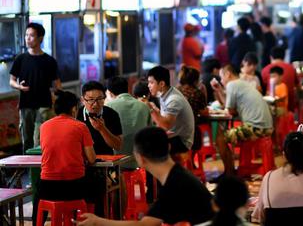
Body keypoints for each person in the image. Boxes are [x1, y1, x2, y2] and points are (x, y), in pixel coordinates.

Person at [78, 127, 214, 226]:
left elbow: (145, 225)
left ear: (140, 159)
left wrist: (98, 221)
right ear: (168, 147)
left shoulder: (174, 185)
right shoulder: (177, 176)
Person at [37, 90, 95, 222]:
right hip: (74, 187)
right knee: (95, 186)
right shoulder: (81, 127)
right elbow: (91, 158)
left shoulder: (44, 127)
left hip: (48, 187)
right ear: (74, 108)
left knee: (38, 188)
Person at [210, 65, 273, 175]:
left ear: (228, 74)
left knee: (220, 139)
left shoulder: (232, 85)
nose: (221, 81)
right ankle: (234, 170)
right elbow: (229, 107)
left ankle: (229, 173)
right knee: (222, 135)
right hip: (266, 126)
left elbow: (229, 110)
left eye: (221, 77)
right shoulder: (240, 83)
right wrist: (220, 90)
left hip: (256, 127)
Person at [10, 22, 62, 152]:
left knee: (40, 138)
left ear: (40, 38)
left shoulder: (49, 61)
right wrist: (19, 87)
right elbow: (12, 81)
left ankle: (41, 168)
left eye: (31, 35)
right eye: (26, 35)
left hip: (44, 105)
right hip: (26, 104)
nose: (27, 38)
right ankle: (28, 169)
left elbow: (57, 83)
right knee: (26, 139)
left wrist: (57, 94)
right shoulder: (21, 59)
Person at [147, 66, 195, 155]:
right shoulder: (165, 93)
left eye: (151, 82)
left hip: (182, 141)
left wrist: (150, 108)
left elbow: (166, 125)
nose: (148, 85)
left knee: (148, 147)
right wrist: (154, 109)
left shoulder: (173, 99)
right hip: (174, 135)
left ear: (161, 84)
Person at [106, 76, 151, 169]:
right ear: (128, 88)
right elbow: (150, 133)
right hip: (141, 162)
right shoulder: (144, 106)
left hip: (117, 164)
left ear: (110, 93)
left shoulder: (108, 107)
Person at [77, 81, 123, 155]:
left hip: (107, 163)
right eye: (91, 100)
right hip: (84, 163)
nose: (95, 104)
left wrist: (102, 129)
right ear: (82, 100)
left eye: (99, 99)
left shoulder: (111, 114)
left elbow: (118, 146)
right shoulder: (76, 115)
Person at [176, 65, 209, 151]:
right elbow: (204, 112)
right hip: (189, 132)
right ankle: (191, 160)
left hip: (173, 131)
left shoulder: (175, 90)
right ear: (195, 80)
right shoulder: (197, 93)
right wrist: (204, 92)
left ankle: (190, 162)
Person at [261, 46, 301, 113]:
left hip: (271, 108)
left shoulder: (265, 70)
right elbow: (298, 87)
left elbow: (262, 90)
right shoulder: (291, 68)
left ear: (271, 57)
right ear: (284, 56)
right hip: (290, 107)